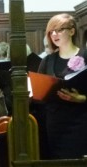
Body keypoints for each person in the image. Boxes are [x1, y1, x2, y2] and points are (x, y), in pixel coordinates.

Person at [38, 13, 87, 159]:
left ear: (72, 31)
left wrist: (82, 98)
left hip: (81, 121)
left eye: (59, 30)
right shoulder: (48, 60)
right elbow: (39, 92)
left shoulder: (85, 56)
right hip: (55, 123)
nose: (54, 34)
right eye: (51, 31)